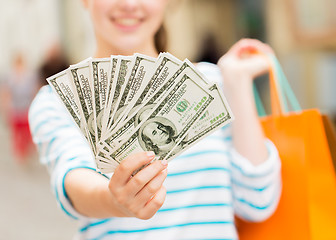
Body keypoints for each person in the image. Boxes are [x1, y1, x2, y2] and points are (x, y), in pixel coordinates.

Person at [29, 0, 282, 239]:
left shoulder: (211, 84)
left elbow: (257, 201)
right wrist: (113, 199)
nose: (129, 5)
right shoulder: (58, 101)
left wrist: (237, 83)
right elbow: (73, 179)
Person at [0, 53, 39, 162]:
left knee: (27, 132)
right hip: (15, 109)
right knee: (17, 134)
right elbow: (6, 93)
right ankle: (20, 154)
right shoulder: (10, 77)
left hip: (26, 108)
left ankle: (27, 150)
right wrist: (5, 108)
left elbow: (34, 91)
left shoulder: (30, 76)